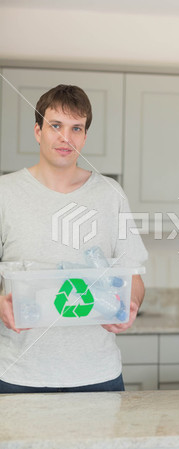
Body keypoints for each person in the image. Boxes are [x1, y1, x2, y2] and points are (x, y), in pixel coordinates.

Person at [0, 84, 148, 393]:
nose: (66, 137)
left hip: (97, 374)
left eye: (76, 128)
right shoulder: (6, 194)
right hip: (20, 375)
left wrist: (131, 302)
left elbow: (132, 273)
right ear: (38, 131)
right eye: (56, 126)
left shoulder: (110, 195)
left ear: (84, 135)